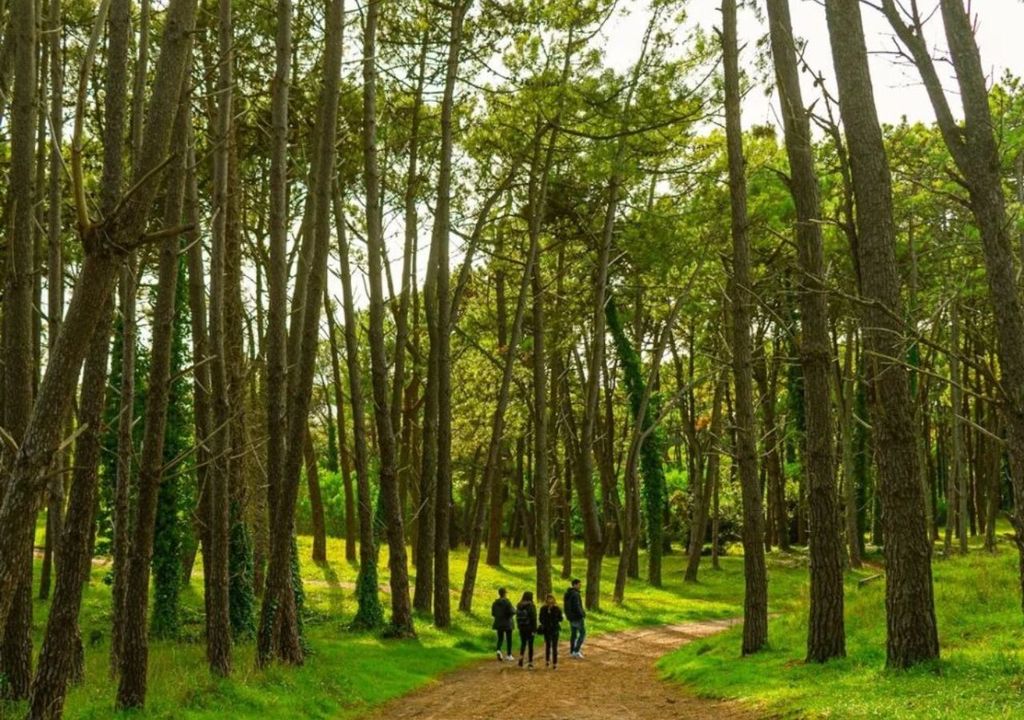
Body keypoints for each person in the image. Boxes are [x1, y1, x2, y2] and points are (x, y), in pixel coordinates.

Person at [538, 593, 564, 669]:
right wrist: (545, 622)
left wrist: (555, 619)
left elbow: (560, 618)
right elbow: (540, 618)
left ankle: (555, 663)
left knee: (554, 646)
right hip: (547, 629)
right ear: (546, 600)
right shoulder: (543, 608)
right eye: (548, 599)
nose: (550, 600)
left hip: (555, 629)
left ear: (554, 600)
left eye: (551, 599)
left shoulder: (557, 608)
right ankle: (547, 661)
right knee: (548, 645)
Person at [564, 578, 586, 658]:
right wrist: (582, 614)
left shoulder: (567, 594)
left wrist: (568, 616)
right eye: (579, 584)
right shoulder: (576, 594)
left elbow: (566, 607)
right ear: (575, 585)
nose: (580, 586)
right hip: (577, 617)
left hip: (571, 618)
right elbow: (577, 606)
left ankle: (572, 651)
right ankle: (576, 651)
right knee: (582, 634)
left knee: (573, 634)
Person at [515, 591, 538, 669]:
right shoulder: (531, 606)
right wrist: (534, 629)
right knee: (530, 645)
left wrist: (519, 626)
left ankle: (521, 659)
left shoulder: (519, 605)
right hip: (530, 627)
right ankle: (530, 662)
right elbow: (533, 618)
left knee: (523, 643)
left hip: (522, 627)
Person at [491, 587, 515, 661]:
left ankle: (498, 650)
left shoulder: (495, 603)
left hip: (498, 623)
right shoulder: (507, 602)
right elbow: (512, 611)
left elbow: (493, 613)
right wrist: (514, 611)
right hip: (508, 623)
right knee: (509, 639)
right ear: (504, 593)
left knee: (500, 638)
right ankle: (509, 655)